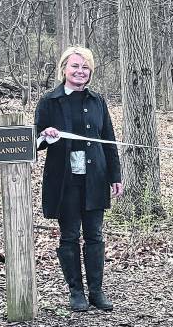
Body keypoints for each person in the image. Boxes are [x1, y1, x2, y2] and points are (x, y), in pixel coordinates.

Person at [36, 46, 123, 312]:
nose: (80, 71)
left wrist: (114, 176)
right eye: (75, 66)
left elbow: (108, 140)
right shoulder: (49, 101)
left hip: (94, 179)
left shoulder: (97, 101)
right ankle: (76, 292)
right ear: (64, 69)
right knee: (70, 235)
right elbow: (36, 140)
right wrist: (45, 134)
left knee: (95, 235)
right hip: (65, 180)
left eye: (85, 67)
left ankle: (96, 291)